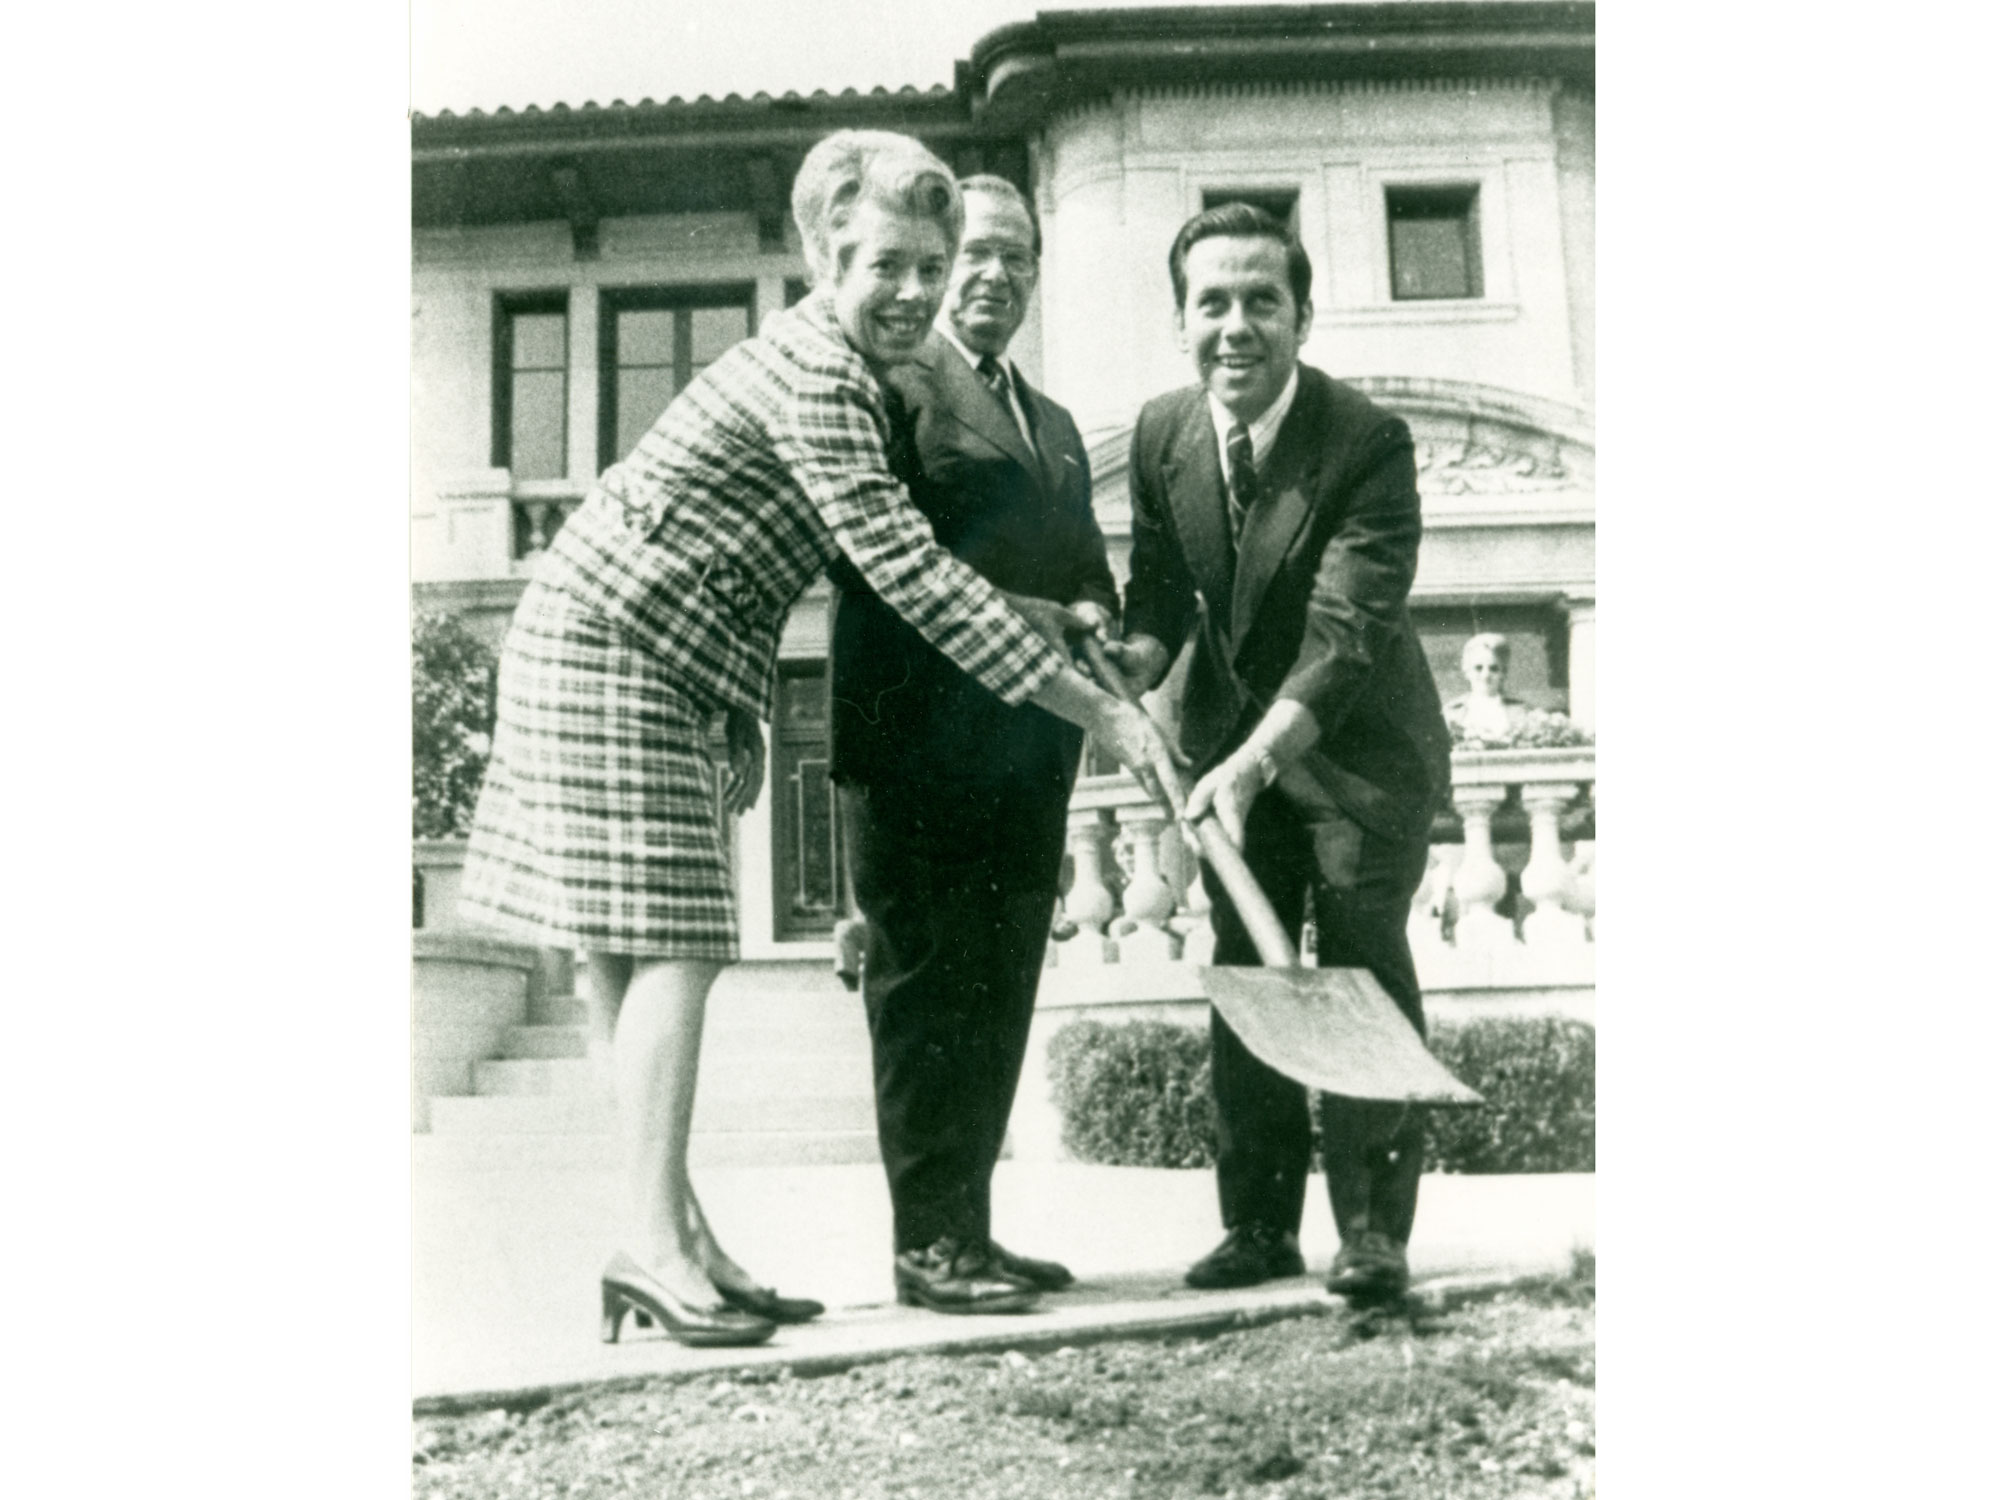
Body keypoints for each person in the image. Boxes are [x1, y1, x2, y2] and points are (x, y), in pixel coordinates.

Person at [457, 130, 1179, 1348]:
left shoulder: (846, 367)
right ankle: (651, 1245)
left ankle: (671, 1242)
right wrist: (1099, 707)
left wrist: (1047, 619)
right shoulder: (824, 376)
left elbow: (740, 546)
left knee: (629, 962)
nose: (913, 291)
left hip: (649, 654)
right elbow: (904, 571)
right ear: (825, 258)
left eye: (931, 266)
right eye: (885, 265)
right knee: (671, 947)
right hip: (609, 649)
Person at [1103, 202, 1453, 1305]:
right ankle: (1255, 1229)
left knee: (1355, 962)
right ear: (1179, 320)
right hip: (1224, 761)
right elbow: (1161, 589)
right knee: (1249, 974)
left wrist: (1251, 765)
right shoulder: (1163, 433)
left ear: (1302, 315)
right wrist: (1130, 657)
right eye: (1212, 302)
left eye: (1262, 300)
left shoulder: (1365, 442)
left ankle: (1369, 1236)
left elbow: (1348, 635)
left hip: (1353, 759)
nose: (1236, 325)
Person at [828, 176, 1113, 1315]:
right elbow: (876, 562)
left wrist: (1108, 620)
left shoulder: (1048, 424)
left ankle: (970, 1230)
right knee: (922, 989)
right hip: (914, 740)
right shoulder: (890, 386)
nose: (996, 276)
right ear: (943, 263)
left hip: (1025, 748)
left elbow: (1082, 558)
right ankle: (924, 1244)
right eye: (978, 254)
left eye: (1019, 259)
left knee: (997, 989)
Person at [1443, 632, 1532, 742]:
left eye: (1494, 668)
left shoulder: (1522, 711)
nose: (1486, 675)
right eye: (1478, 668)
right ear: (1466, 671)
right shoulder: (1452, 712)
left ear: (1503, 673)